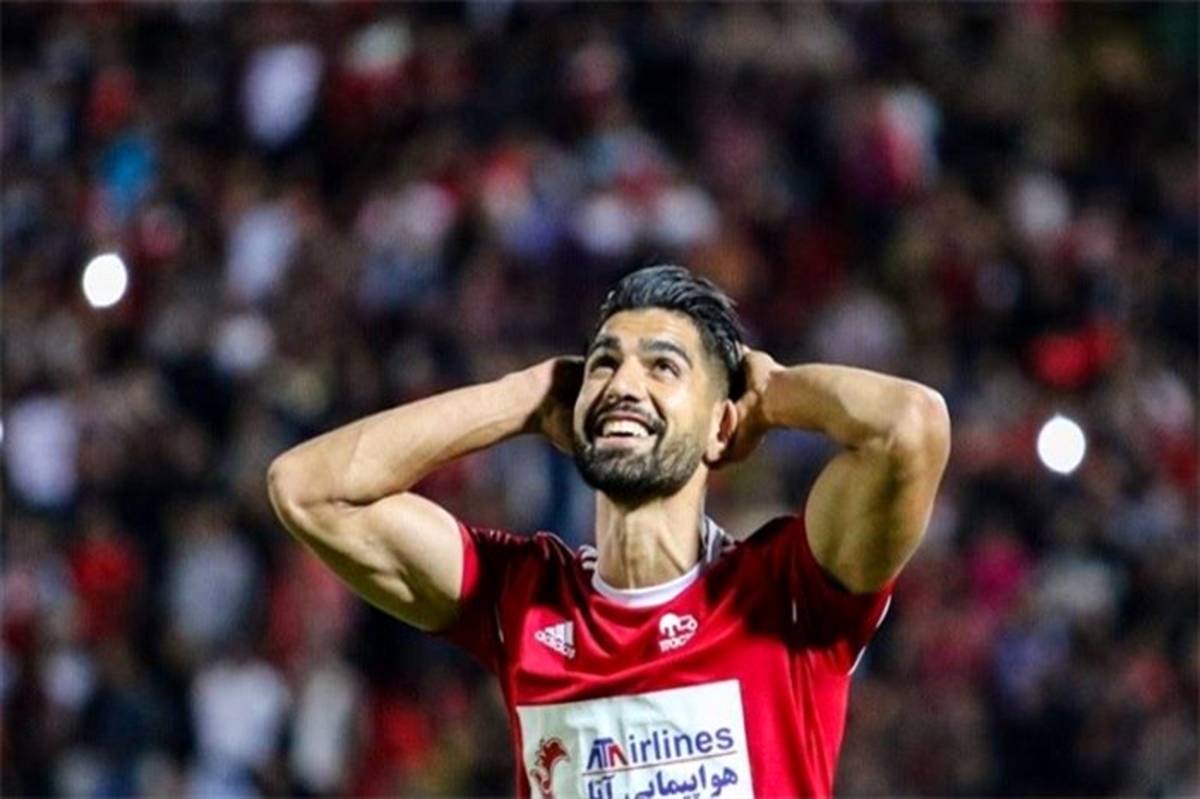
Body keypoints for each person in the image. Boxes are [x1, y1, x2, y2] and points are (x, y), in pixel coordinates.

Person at [267, 265, 951, 798]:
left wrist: (770, 395)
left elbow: (909, 426)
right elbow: (306, 489)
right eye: (603, 362)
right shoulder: (524, 598)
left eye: (663, 366)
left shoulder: (785, 594)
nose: (623, 384)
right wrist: (523, 397)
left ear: (720, 426)